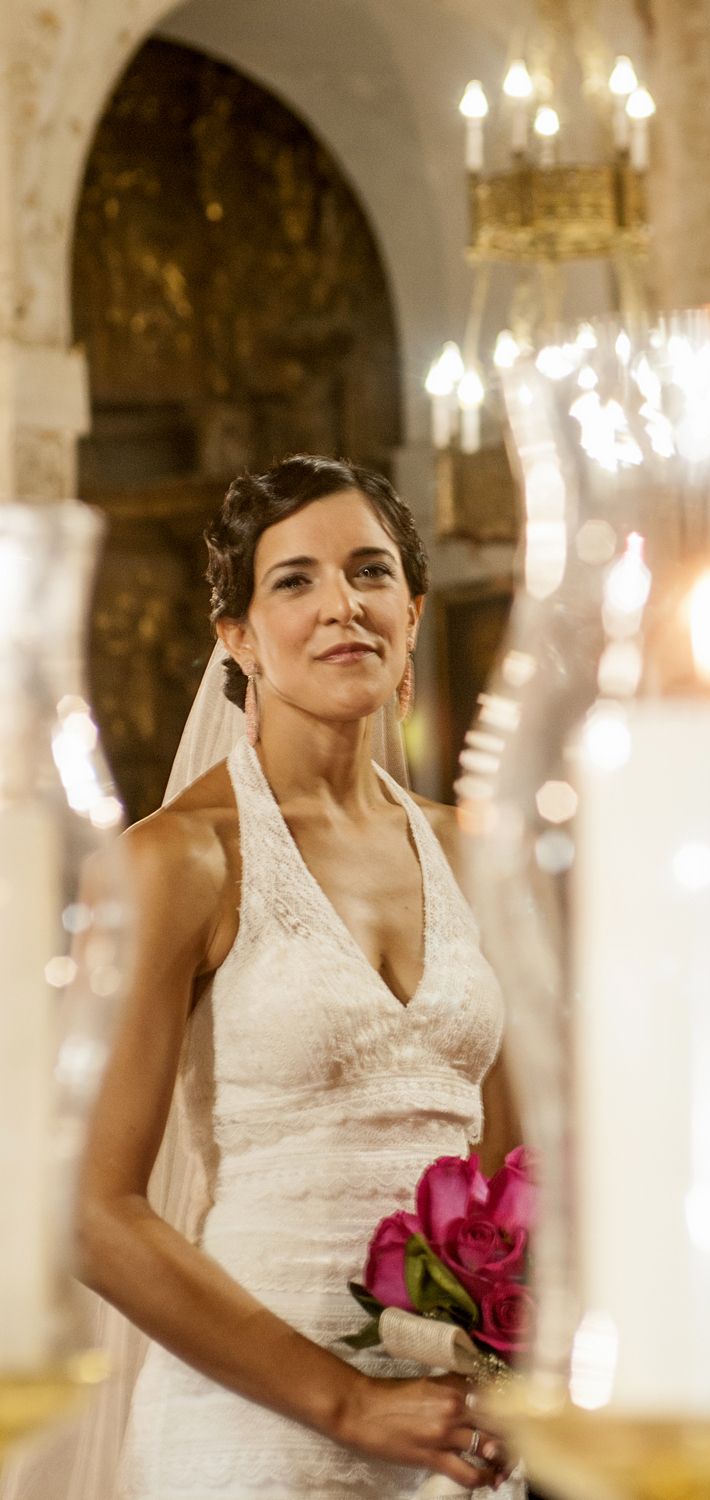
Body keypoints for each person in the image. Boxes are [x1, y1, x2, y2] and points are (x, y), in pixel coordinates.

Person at [75, 455, 522, 1499]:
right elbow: (93, 1213)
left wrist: (501, 1348)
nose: (341, 607)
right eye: (295, 581)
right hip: (249, 1427)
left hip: (449, 1430)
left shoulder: (479, 861)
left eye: (370, 574)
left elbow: (508, 1170)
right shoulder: (177, 860)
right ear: (238, 641)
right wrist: (350, 1401)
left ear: (411, 613)